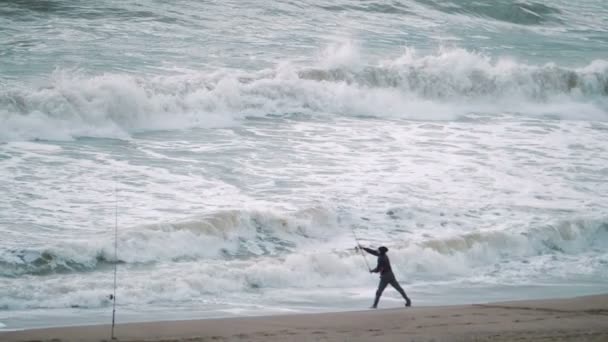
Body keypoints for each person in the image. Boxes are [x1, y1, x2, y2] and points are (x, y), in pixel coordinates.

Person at [357, 245, 411, 309]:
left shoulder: (381, 259)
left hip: (385, 277)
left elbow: (378, 269)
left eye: (378, 250)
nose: (377, 250)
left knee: (379, 292)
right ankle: (408, 300)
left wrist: (372, 271)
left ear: (381, 251)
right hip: (391, 275)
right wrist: (363, 248)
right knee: (399, 289)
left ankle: (374, 305)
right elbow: (373, 252)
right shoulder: (383, 255)